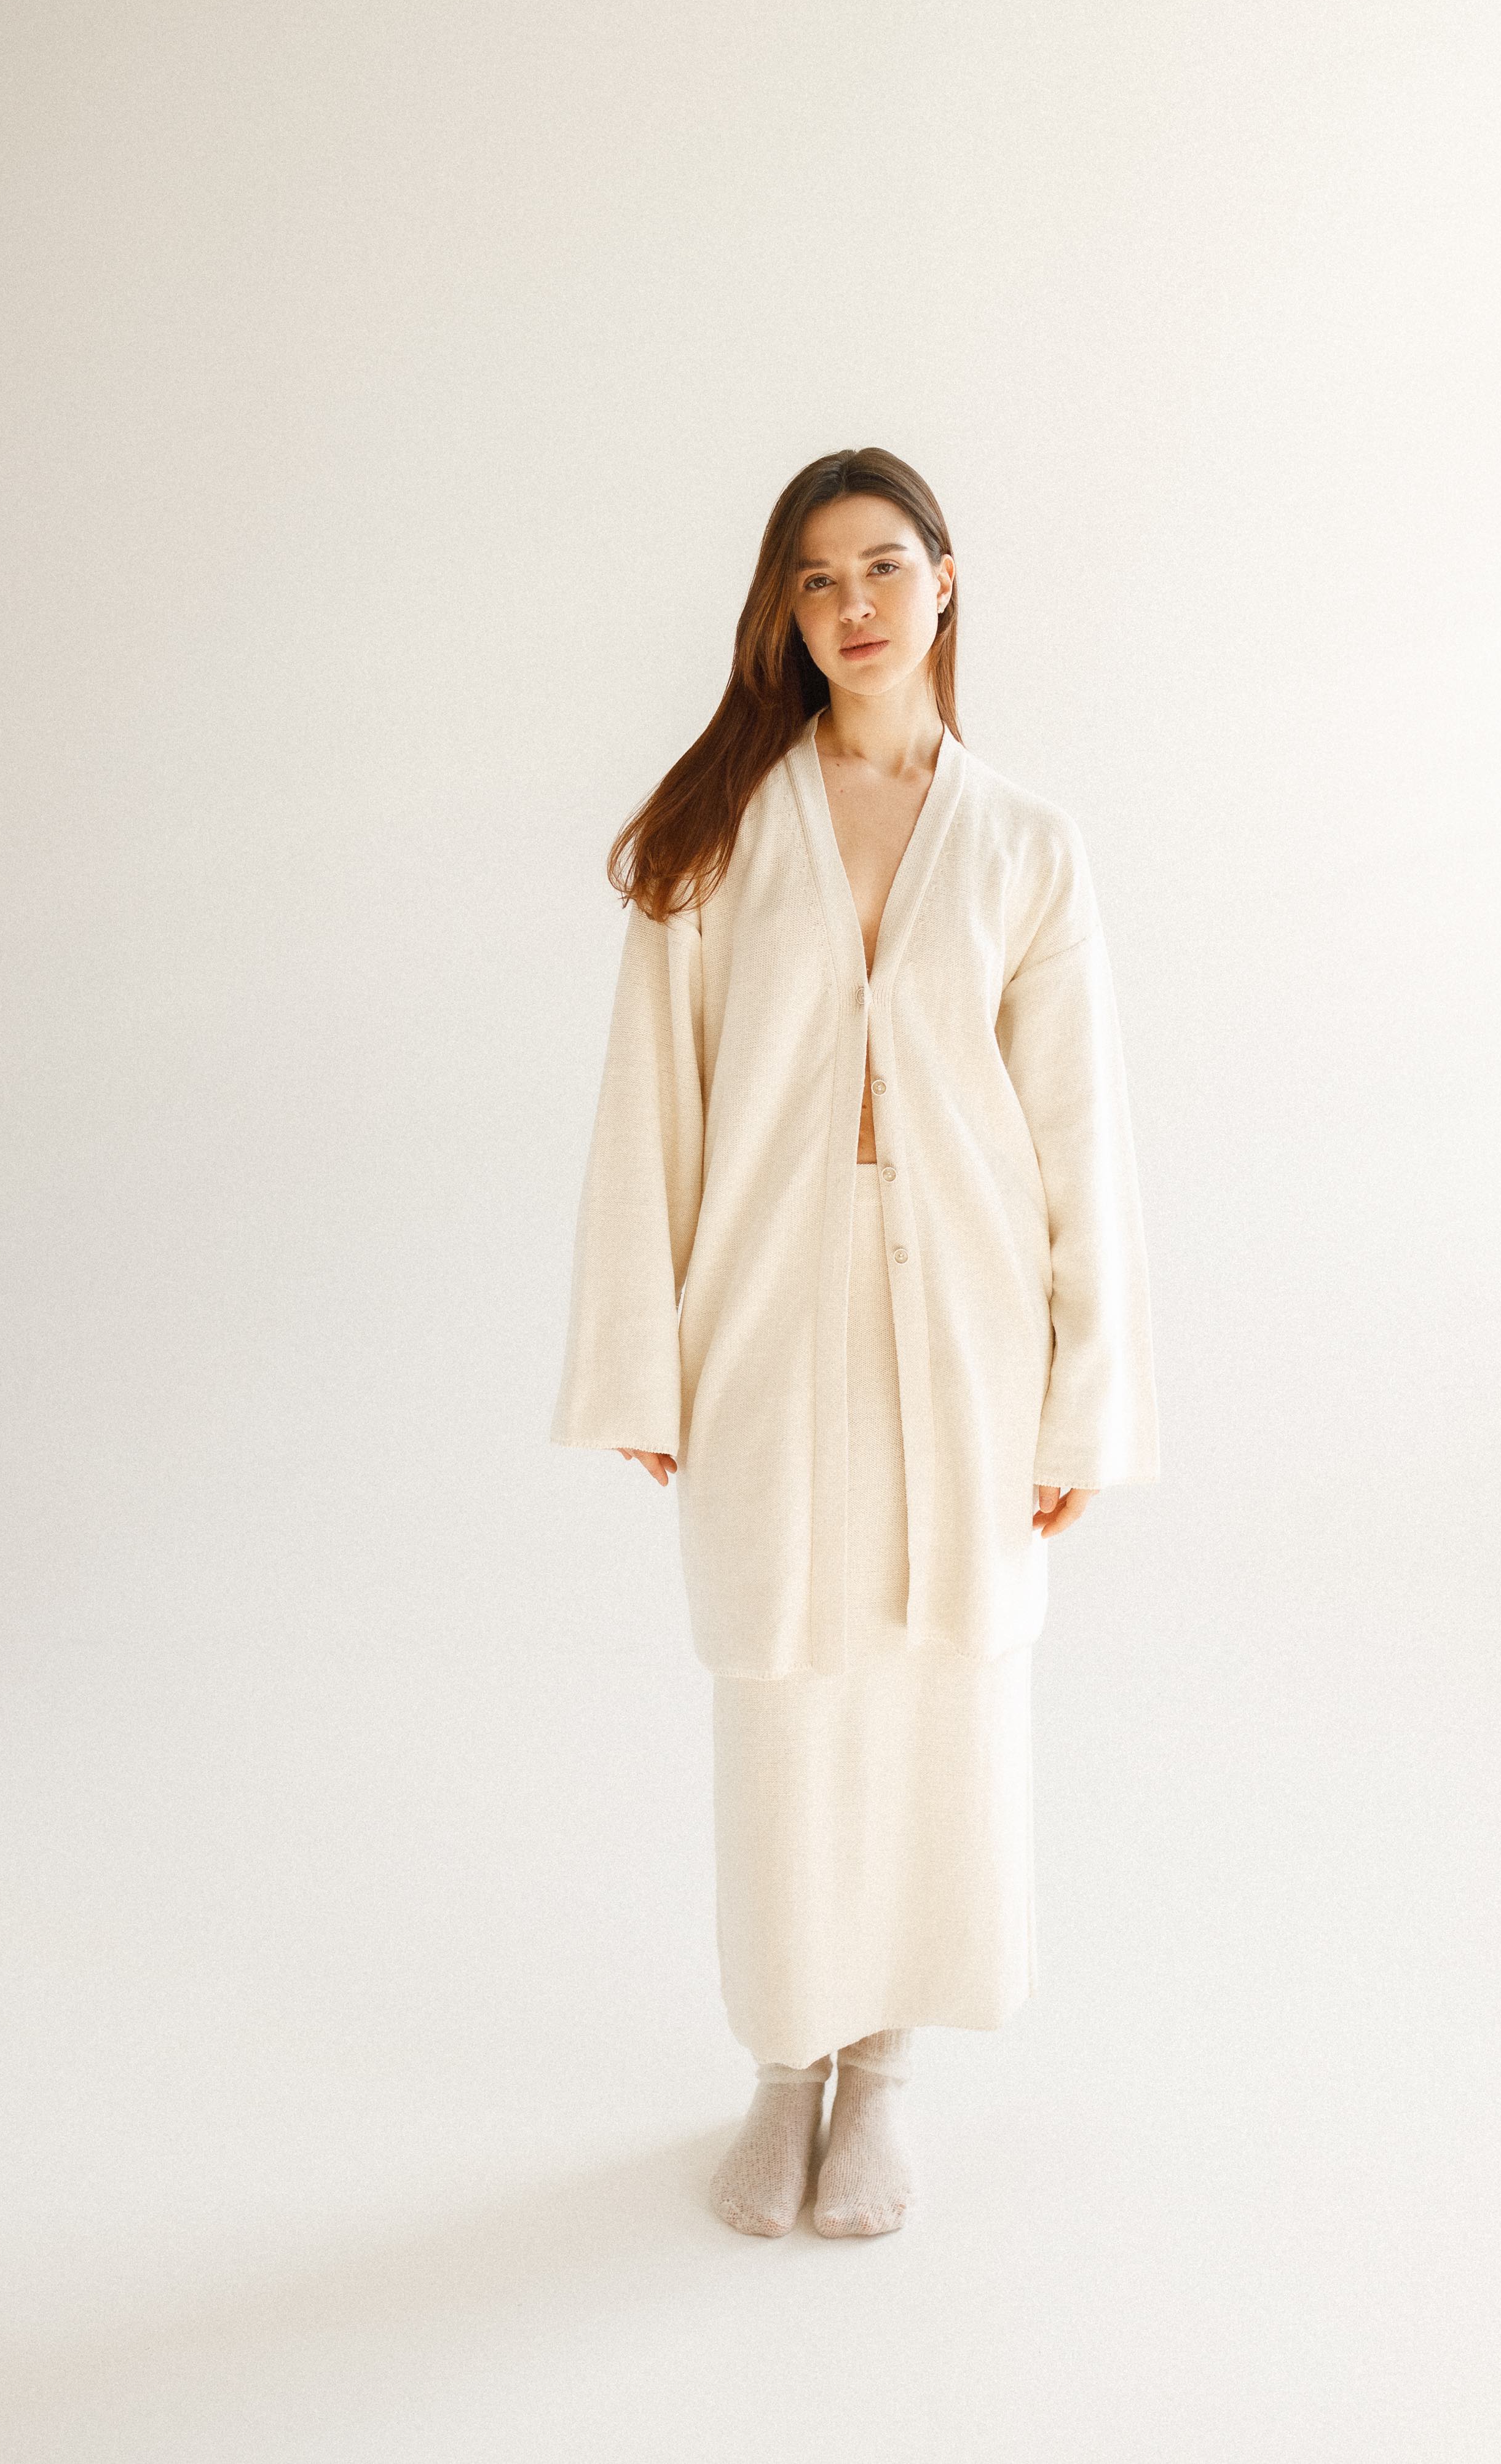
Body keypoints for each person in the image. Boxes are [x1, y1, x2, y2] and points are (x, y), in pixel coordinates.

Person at [551, 446, 1159, 2238]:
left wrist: (1083, 1399)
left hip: (969, 1339)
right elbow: (648, 1106)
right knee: (785, 1692)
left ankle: (885, 2069)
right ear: (784, 613)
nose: (854, 607)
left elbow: (1080, 1135)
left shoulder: (1027, 845)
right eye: (816, 580)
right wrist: (637, 1356)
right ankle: (783, 2064)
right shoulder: (726, 832)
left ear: (945, 582)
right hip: (765, 1324)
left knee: (941, 1692)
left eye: (883, 566)